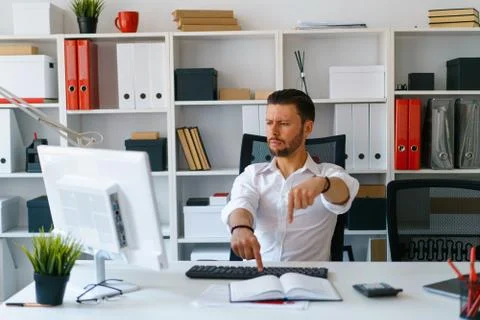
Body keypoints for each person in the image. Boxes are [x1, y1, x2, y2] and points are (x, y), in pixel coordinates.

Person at [221, 89, 359, 271]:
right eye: (269, 123)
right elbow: (241, 204)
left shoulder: (328, 173)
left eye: (284, 123)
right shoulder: (253, 174)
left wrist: (323, 184)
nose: (274, 131)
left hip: (309, 280)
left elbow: (344, 193)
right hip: (257, 278)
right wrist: (240, 228)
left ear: (307, 128)